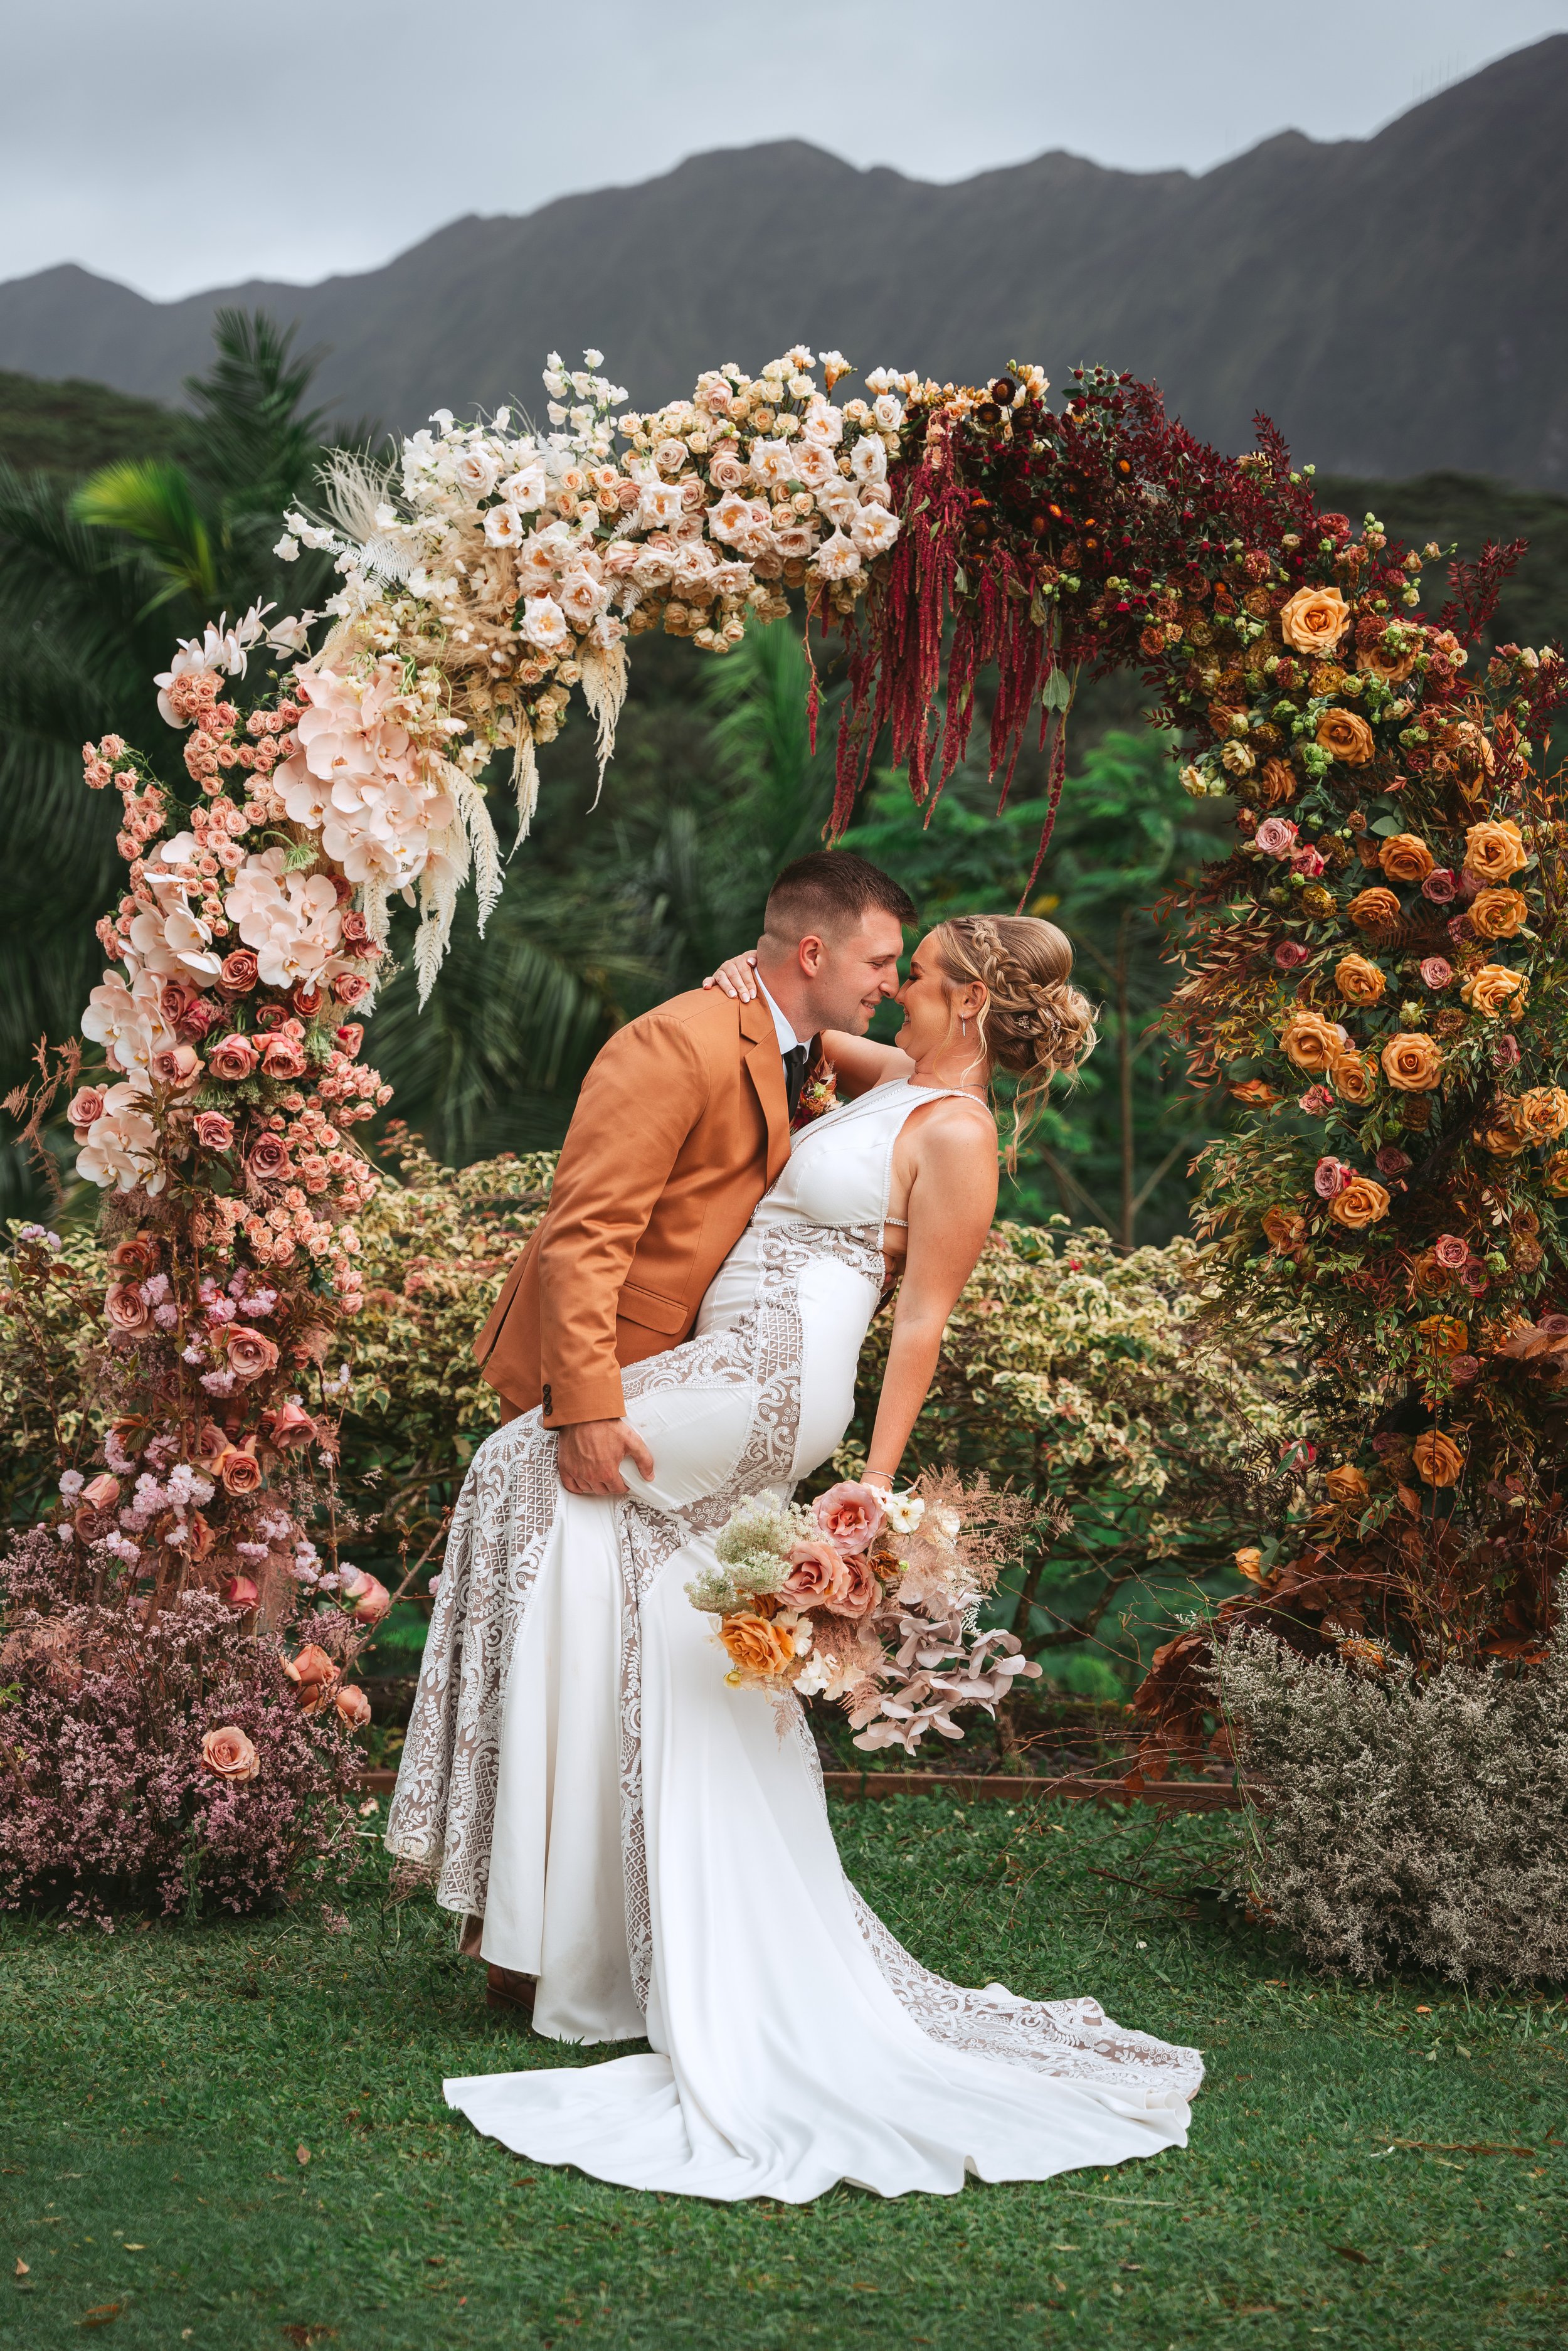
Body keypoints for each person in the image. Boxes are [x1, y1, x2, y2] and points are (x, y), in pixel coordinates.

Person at [387, 910, 1202, 2201]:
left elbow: (920, 1323)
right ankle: (564, 1923)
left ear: (974, 1003)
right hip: (715, 1356)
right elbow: (815, 1030)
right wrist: (742, 986)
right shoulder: (900, 1083)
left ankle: (536, 1902)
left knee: (518, 1468)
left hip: (774, 1378)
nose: (904, 986)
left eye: (924, 974)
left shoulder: (959, 1133)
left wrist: (868, 1493)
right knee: (642, 1591)